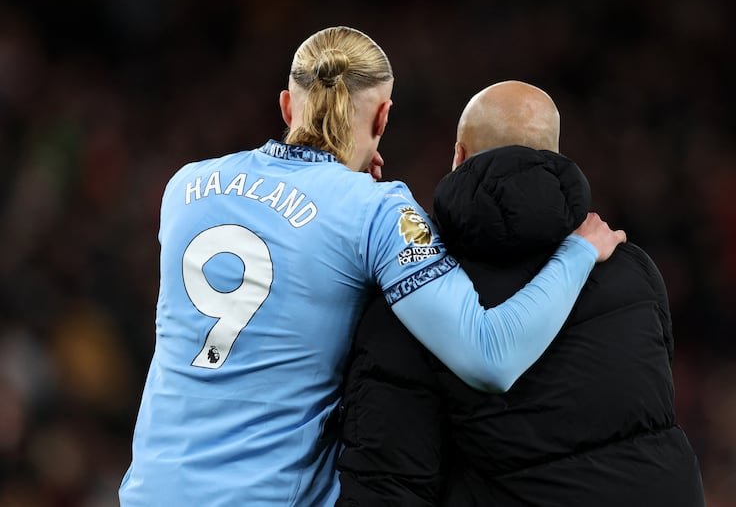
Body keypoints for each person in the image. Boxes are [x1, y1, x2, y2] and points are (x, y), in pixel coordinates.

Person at [118, 29, 625, 506]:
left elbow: (290, 248)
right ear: (383, 118)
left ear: (287, 105)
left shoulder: (185, 187)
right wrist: (577, 253)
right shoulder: (377, 210)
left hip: (148, 491)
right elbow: (490, 356)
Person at [336, 81, 706, 506]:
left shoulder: (415, 299)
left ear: (458, 156)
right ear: (555, 160)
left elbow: (389, 481)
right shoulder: (633, 271)